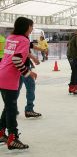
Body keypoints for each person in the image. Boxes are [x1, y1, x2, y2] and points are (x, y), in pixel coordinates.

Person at [0, 17, 37, 150]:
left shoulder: (11, 37)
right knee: (11, 109)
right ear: (26, 27)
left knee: (8, 106)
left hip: (2, 73)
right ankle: (13, 138)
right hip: (9, 77)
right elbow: (16, 60)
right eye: (31, 26)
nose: (32, 29)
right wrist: (28, 73)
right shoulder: (24, 40)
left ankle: (1, 133)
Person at [17, 42, 43, 118]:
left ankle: (12, 108)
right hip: (24, 67)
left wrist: (42, 49)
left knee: (16, 88)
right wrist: (34, 58)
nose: (31, 30)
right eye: (31, 29)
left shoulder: (14, 38)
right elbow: (25, 52)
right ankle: (29, 109)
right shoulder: (23, 39)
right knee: (30, 87)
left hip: (16, 67)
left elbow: (32, 46)